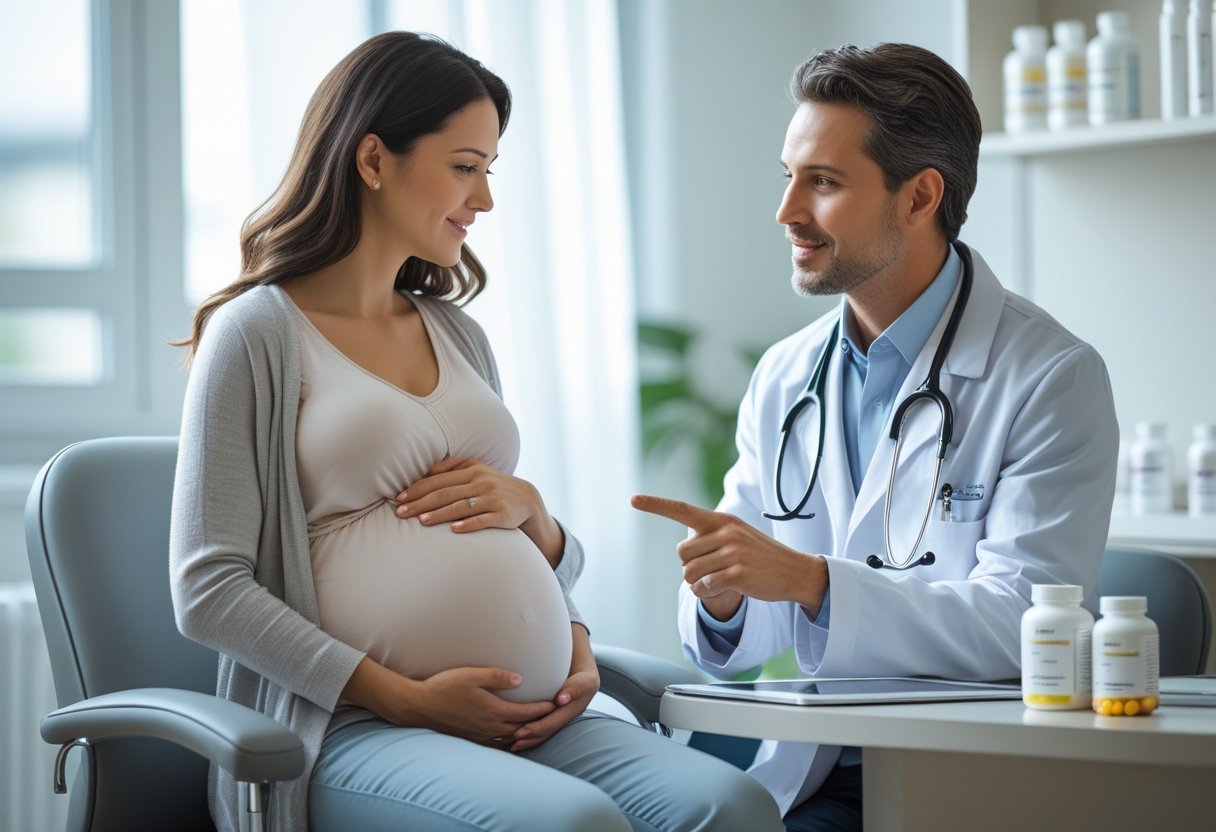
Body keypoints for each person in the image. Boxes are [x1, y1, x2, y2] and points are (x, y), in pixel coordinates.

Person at [170, 31, 782, 832]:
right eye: (465, 166)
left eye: (489, 170)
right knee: (573, 826)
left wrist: (568, 619)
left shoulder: (457, 335)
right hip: (357, 726)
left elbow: (518, 552)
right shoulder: (257, 333)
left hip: (535, 722)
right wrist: (406, 696)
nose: (485, 199)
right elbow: (208, 592)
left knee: (732, 806)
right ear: (373, 159)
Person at [632, 42, 1118, 831]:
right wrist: (724, 596)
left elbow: (1027, 624)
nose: (786, 210)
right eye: (787, 174)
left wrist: (815, 583)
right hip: (808, 758)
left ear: (920, 196)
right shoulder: (787, 376)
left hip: (953, 772)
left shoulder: (1050, 376)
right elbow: (754, 632)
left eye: (822, 182)